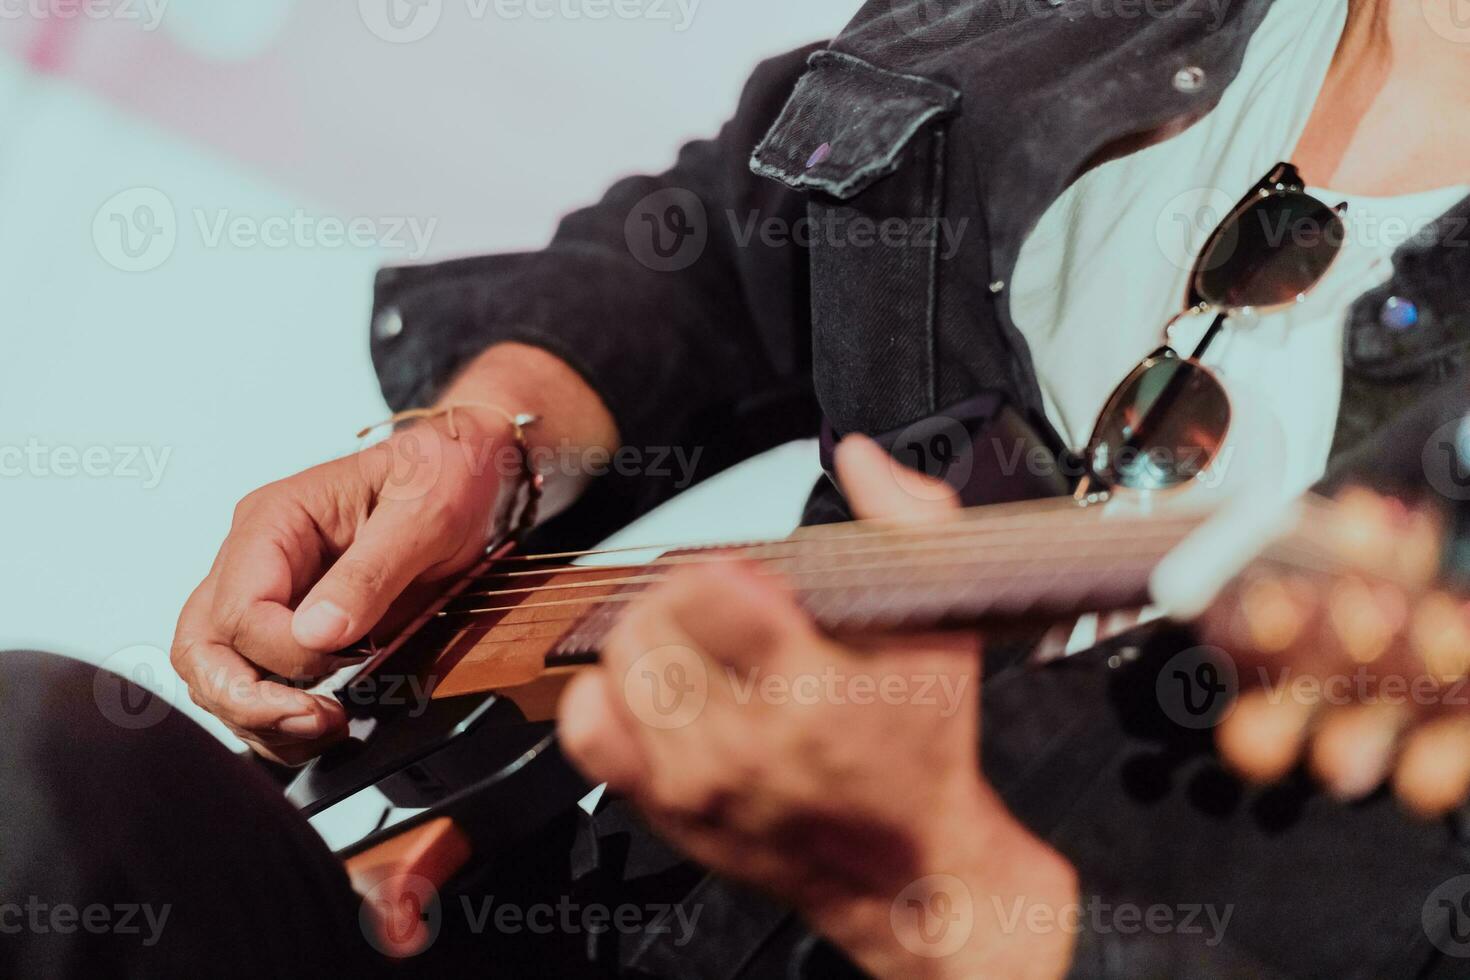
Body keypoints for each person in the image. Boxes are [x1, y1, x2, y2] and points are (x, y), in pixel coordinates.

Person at [9, 0, 1470, 975]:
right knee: (40, 781)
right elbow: (724, 243)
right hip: (593, 911)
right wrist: (489, 440)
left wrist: (936, 889)